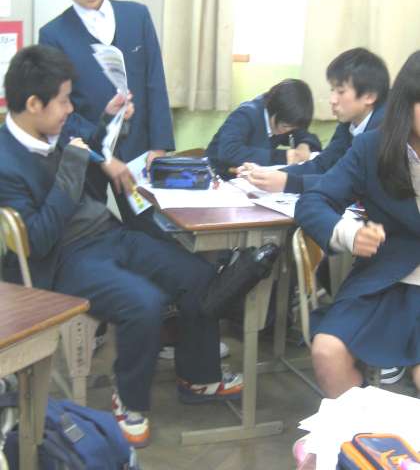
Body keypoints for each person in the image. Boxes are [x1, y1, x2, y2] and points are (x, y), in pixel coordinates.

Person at [0, 45, 279, 447]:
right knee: (143, 304)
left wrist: (111, 121)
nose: (68, 109)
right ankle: (129, 401)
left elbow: (93, 144)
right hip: (61, 259)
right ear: (32, 103)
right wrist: (75, 166)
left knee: (198, 274)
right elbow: (38, 240)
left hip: (106, 234)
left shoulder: (54, 126)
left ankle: (198, 377)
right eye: (63, 101)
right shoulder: (6, 162)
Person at [294, 50, 420, 398]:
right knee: (327, 352)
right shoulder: (372, 147)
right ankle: (363, 428)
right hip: (387, 278)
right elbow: (314, 201)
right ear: (405, 103)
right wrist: (349, 234)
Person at [39, 0, 174, 221]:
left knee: (150, 228)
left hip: (139, 148)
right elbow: (58, 109)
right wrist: (100, 156)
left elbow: (154, 82)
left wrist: (159, 145)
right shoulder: (53, 35)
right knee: (92, 229)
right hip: (86, 154)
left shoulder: (137, 16)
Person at [240, 48, 389, 192]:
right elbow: (323, 164)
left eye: (341, 92)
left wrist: (289, 183)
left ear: (369, 96)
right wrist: (269, 175)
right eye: (332, 90)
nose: (332, 100)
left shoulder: (385, 130)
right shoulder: (348, 123)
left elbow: (352, 183)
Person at [206, 79, 321, 178]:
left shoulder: (285, 119)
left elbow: (305, 135)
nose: (288, 131)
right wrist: (283, 156)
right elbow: (229, 152)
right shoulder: (246, 114)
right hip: (218, 177)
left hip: (248, 180)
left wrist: (304, 145)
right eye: (285, 126)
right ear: (275, 110)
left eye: (292, 128)